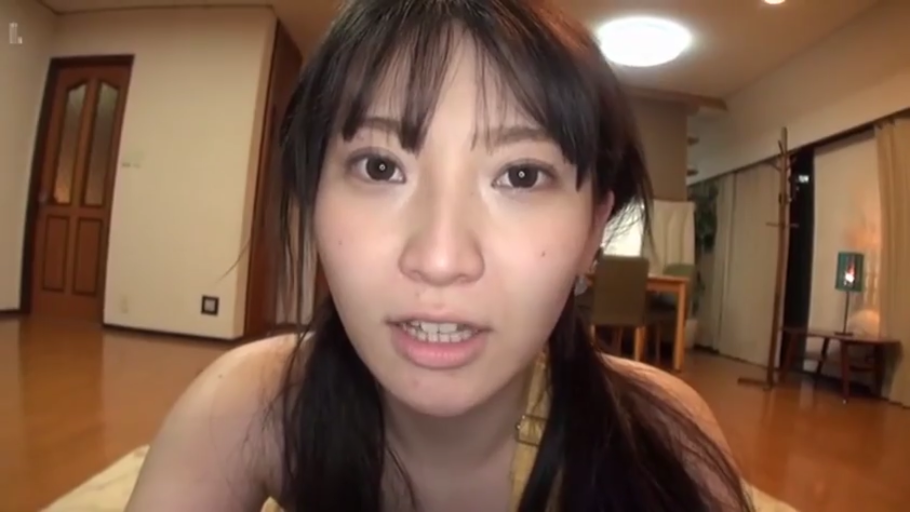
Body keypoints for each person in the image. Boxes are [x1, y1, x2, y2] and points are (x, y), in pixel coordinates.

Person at [126, 0, 755, 510]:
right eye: (380, 167)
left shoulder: (666, 438)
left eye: (521, 176)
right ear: (313, 197)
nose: (440, 258)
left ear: (594, 229)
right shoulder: (245, 407)